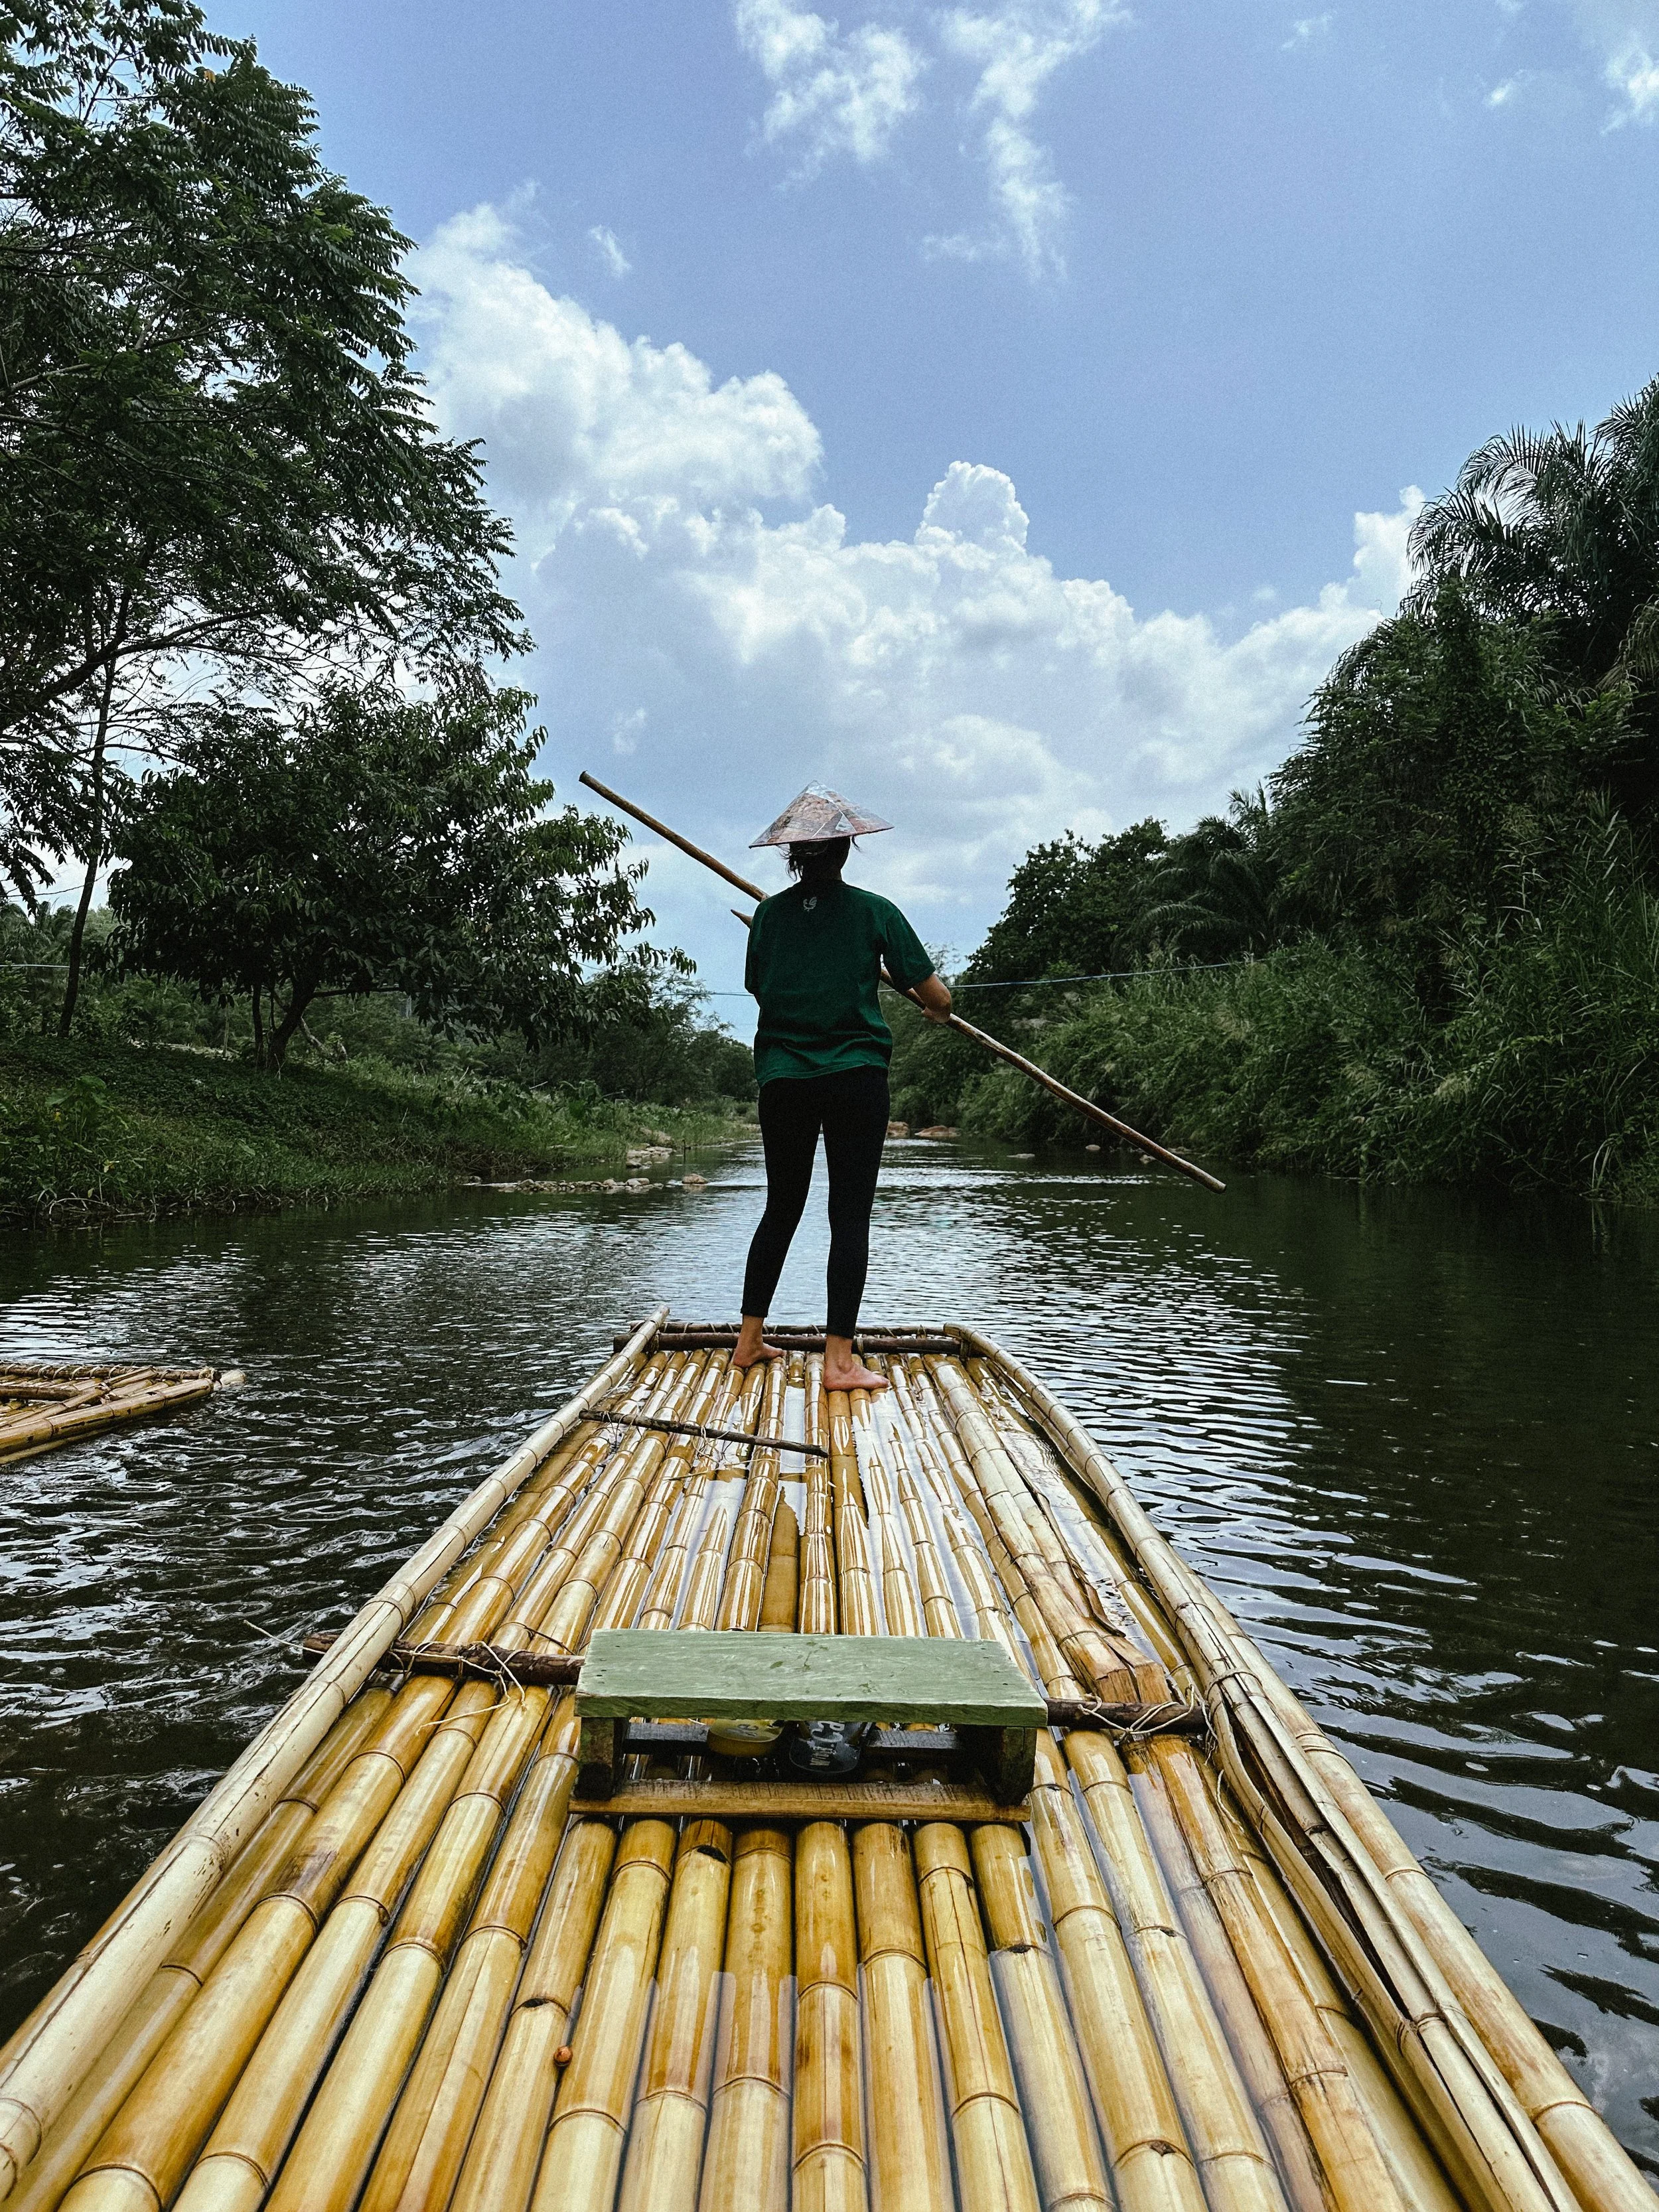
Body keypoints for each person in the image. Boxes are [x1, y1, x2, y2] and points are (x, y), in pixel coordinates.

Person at [733, 784, 952, 1392]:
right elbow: (936, 999)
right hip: (855, 1076)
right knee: (848, 1216)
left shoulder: (770, 916)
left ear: (795, 857)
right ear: (847, 849)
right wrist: (935, 1010)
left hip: (783, 1079)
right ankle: (837, 1361)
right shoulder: (873, 910)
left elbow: (760, 989)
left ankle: (748, 1341)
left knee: (781, 1207)